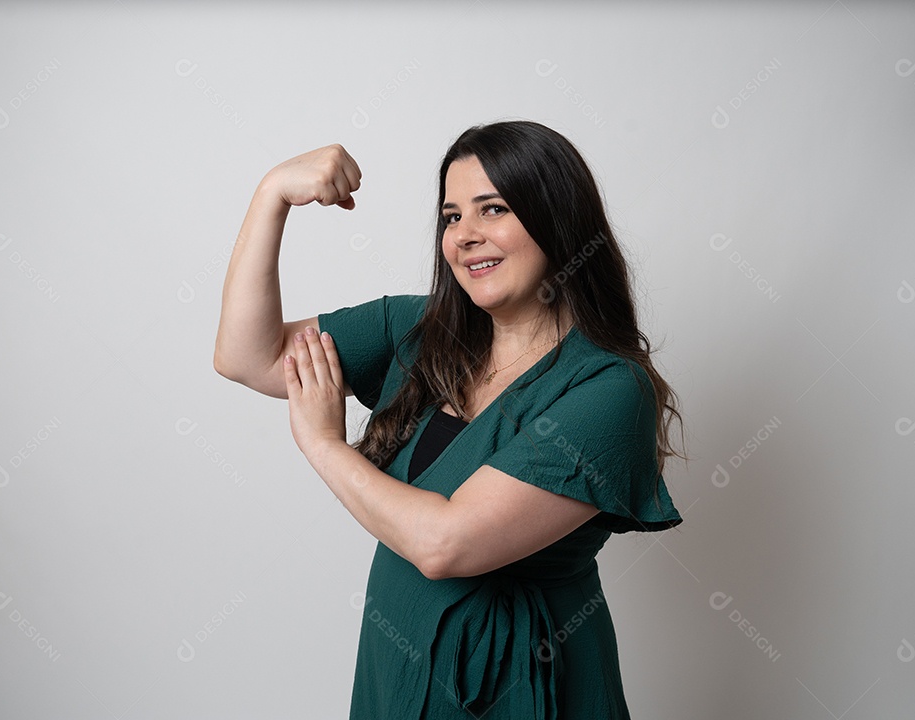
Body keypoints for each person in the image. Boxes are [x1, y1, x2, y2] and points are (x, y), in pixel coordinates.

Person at [214, 120, 686, 719]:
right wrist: (272, 194)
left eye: (493, 209)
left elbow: (445, 544)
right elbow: (244, 356)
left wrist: (324, 444)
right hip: (397, 670)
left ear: (558, 222)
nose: (465, 235)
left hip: (517, 690)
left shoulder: (609, 390)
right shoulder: (414, 332)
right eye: (452, 216)